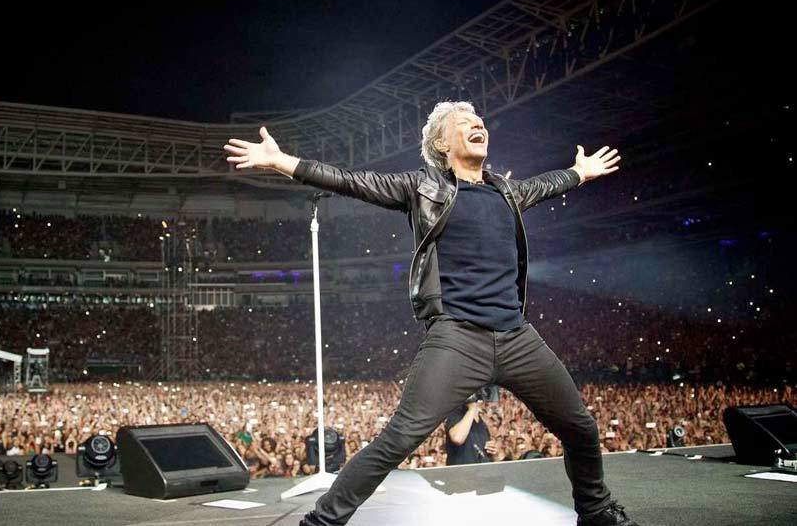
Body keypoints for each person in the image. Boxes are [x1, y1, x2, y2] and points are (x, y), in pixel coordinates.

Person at [225, 100, 637, 526]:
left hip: (517, 336)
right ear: (442, 143)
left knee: (581, 428)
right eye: (464, 123)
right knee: (398, 438)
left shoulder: (508, 191)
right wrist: (281, 162)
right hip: (457, 338)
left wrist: (580, 173)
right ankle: (321, 522)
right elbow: (351, 181)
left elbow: (547, 183)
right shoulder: (422, 187)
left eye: (479, 122)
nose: (478, 124)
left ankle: (595, 511)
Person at [445, 396, 490, 465]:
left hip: (479, 473)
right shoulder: (456, 414)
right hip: (461, 473)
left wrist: (493, 453)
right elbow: (457, 438)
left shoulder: (482, 425)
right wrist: (472, 408)